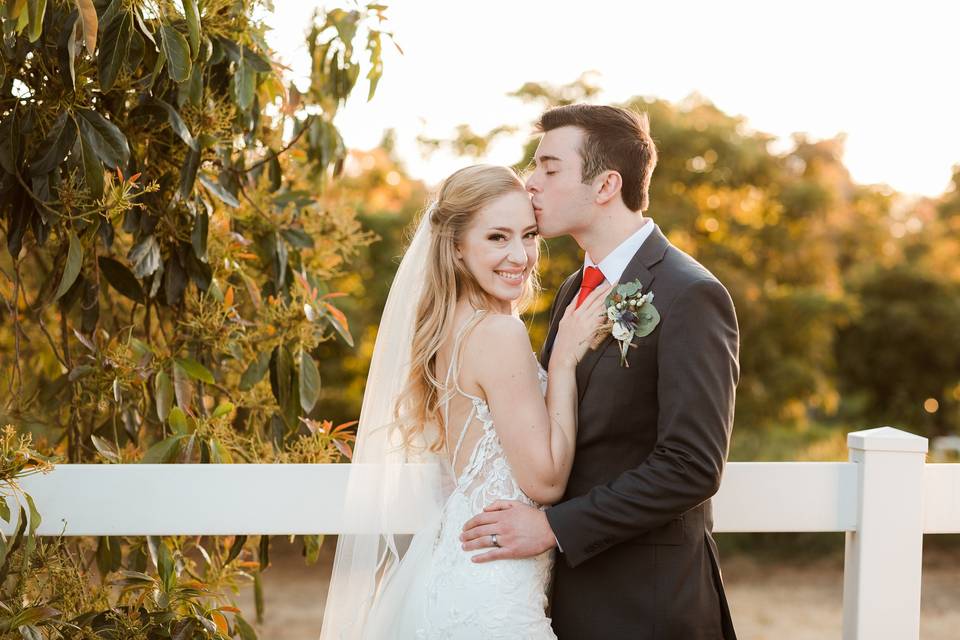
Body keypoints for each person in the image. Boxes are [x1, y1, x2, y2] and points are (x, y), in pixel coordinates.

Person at [460, 104, 740, 639]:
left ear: (606, 184)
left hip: (648, 603)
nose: (530, 182)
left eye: (549, 167)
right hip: (565, 596)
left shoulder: (691, 294)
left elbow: (692, 465)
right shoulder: (572, 290)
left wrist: (550, 527)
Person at [320, 164, 609, 639]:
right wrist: (561, 364)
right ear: (455, 247)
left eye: (530, 235)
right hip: (491, 588)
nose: (520, 255)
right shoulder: (498, 332)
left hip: (459, 567)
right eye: (497, 237)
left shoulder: (445, 330)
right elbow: (546, 480)